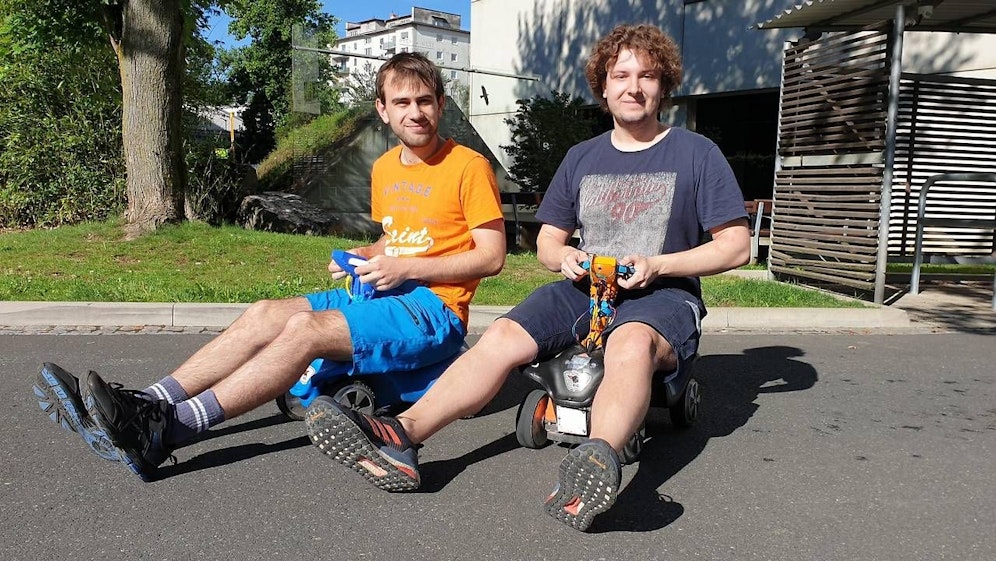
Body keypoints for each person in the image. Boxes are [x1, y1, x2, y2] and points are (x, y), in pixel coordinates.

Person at [303, 23, 750, 531]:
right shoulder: (583, 157)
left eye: (646, 76)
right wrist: (564, 258)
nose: (633, 86)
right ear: (602, 86)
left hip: (663, 295)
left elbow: (736, 245)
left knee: (629, 344)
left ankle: (595, 463)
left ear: (662, 84)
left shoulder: (695, 153)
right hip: (584, 287)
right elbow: (547, 241)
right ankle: (400, 437)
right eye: (620, 74)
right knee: (502, 336)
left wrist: (660, 263)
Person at [33, 52, 506, 481]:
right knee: (264, 312)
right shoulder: (384, 168)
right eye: (401, 102)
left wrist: (407, 269)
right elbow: (396, 236)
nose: (414, 112)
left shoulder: (468, 166)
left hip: (432, 308)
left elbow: (492, 256)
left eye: (424, 100)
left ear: (441, 104)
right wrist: (369, 256)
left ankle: (170, 429)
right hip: (381, 292)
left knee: (304, 330)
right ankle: (148, 402)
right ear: (382, 110)